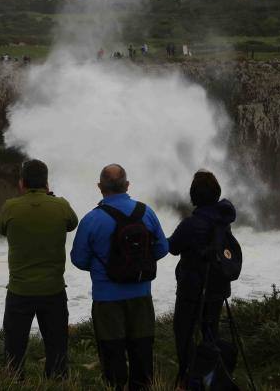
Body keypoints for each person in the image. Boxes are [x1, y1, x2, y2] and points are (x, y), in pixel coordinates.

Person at [71, 164, 169, 391]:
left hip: (107, 299)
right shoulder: (147, 213)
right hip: (141, 295)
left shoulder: (91, 220)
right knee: (142, 353)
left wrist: (103, 268)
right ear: (127, 185)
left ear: (99, 187)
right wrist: (140, 264)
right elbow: (162, 248)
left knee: (112, 354)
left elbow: (79, 259)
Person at [0, 160, 78, 380]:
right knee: (57, 346)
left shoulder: (10, 207)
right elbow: (72, 223)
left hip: (19, 290)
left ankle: (14, 382)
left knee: (14, 345)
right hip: (53, 289)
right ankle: (56, 381)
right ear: (46, 182)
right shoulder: (61, 205)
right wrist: (49, 198)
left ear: (22, 183)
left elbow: (1, 228)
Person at [168, 170, 236, 386]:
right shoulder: (223, 220)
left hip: (192, 290)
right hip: (217, 287)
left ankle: (189, 376)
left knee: (185, 333)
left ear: (194, 196)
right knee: (210, 331)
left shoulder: (191, 224)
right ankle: (211, 376)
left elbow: (172, 247)